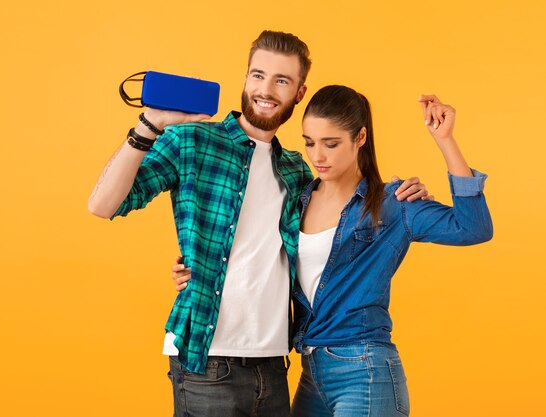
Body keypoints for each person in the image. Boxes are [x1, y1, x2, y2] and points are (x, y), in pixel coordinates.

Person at [89, 30, 430, 417]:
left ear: (299, 93)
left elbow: (334, 230)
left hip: (274, 366)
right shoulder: (192, 142)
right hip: (208, 360)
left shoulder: (299, 170)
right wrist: (149, 125)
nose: (265, 89)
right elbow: (103, 204)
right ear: (245, 77)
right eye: (257, 75)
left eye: (281, 80)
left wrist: (398, 193)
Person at [172, 86, 493, 416]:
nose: (317, 156)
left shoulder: (392, 204)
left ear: (360, 137)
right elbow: (252, 253)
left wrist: (446, 141)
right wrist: (195, 270)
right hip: (311, 374)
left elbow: (473, 227)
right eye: (310, 142)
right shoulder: (297, 199)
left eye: (331, 144)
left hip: (365, 372)